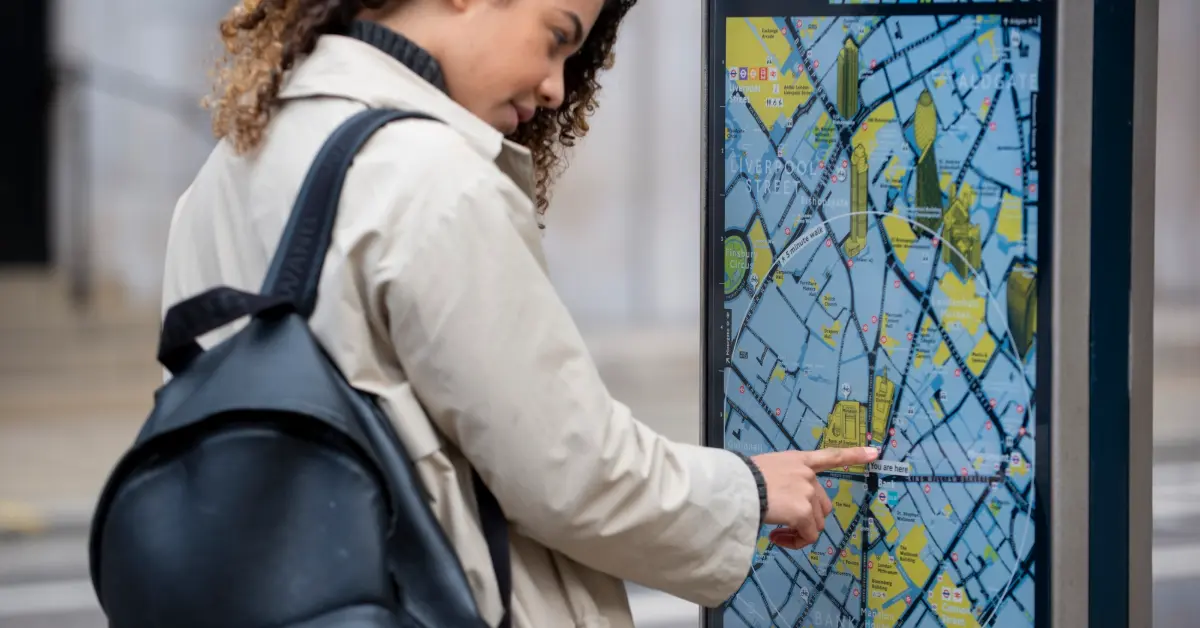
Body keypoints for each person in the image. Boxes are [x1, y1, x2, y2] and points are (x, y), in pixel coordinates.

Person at [161, 0, 881, 625]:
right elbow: (572, 471)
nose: (556, 85)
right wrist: (751, 491)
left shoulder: (223, 174)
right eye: (556, 37)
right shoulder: (432, 180)